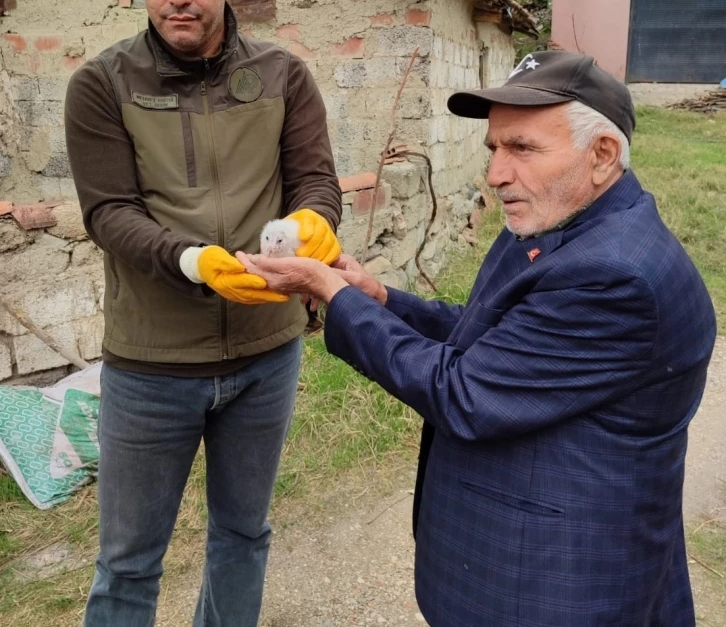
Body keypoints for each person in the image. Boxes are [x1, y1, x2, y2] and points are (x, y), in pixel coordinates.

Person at [242, 51, 717, 627]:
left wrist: (332, 295)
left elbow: (463, 393)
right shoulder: (569, 223)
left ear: (602, 155)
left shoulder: (614, 275)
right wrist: (383, 300)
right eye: (495, 148)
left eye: (522, 148)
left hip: (555, 588)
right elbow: (498, 334)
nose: (495, 173)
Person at [64, 0, 342, 627]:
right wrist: (192, 260)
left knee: (244, 535)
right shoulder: (102, 84)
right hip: (151, 364)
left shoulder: (284, 74)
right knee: (128, 561)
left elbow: (316, 180)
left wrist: (315, 222)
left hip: (265, 355)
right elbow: (109, 212)